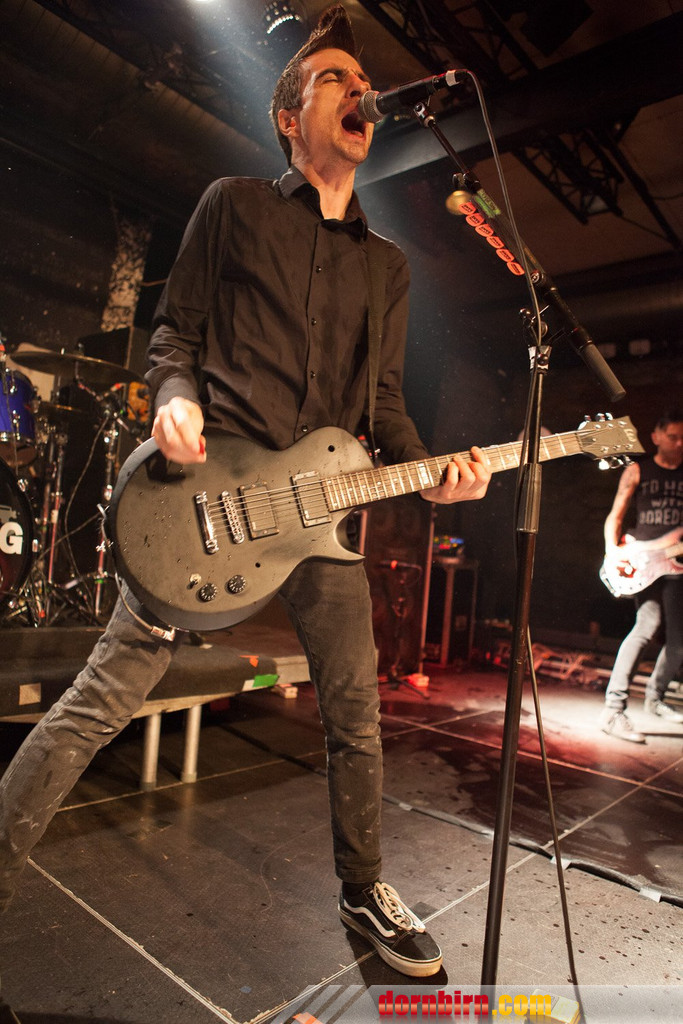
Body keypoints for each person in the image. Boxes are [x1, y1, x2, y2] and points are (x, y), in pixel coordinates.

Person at [0, 4, 490, 983]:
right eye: (335, 79)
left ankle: (363, 886)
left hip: (320, 519)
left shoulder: (386, 267)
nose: (360, 91)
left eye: (365, 83)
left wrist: (435, 476)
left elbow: (382, 406)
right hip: (208, 499)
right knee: (99, 700)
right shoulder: (233, 205)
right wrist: (173, 401)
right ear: (288, 118)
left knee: (356, 712)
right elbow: (174, 336)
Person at [600, 409, 683, 743]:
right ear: (657, 436)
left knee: (679, 643)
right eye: (673, 437)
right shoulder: (638, 470)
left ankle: (655, 698)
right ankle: (613, 710)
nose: (679, 443)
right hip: (643, 562)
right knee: (646, 627)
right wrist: (612, 551)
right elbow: (615, 515)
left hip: (676, 565)